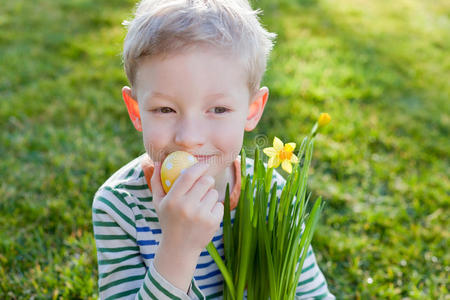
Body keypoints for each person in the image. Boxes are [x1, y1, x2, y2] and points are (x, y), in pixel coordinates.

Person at [92, 0, 335, 299]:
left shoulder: (270, 195)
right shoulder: (119, 207)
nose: (189, 138)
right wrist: (177, 249)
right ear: (136, 110)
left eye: (218, 109)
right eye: (165, 109)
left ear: (251, 110)